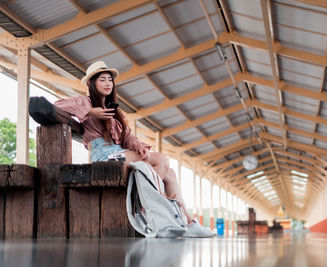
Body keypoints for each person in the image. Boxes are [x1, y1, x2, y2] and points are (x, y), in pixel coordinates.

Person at [54, 61, 215, 238]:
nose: (108, 83)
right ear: (92, 83)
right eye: (102, 80)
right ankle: (148, 208)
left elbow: (128, 137)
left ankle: (188, 222)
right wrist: (92, 112)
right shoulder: (83, 101)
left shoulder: (114, 110)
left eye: (110, 80)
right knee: (161, 160)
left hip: (118, 153)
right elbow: (58, 105)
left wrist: (140, 148)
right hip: (103, 155)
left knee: (170, 174)